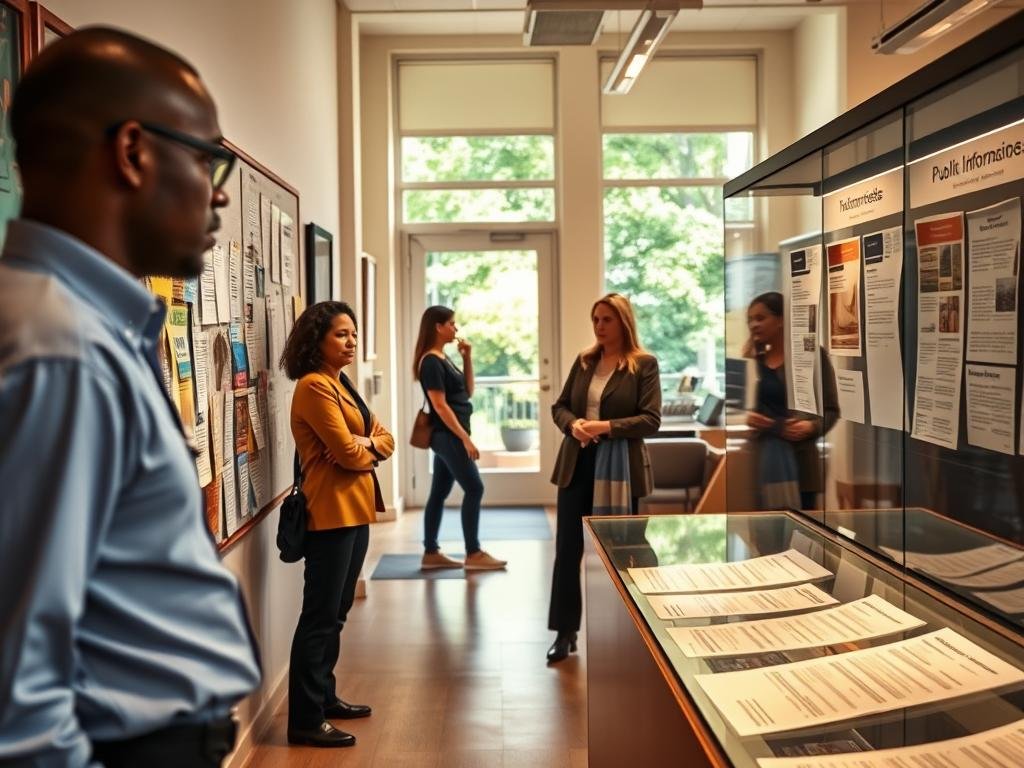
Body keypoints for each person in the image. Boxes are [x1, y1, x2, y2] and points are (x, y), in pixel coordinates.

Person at [0, 28, 261, 767]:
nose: (216, 196)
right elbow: (17, 678)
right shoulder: (61, 351)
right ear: (134, 151)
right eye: (210, 159)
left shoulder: (78, 327)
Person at [280, 300, 394, 748]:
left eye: (353, 334)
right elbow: (346, 455)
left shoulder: (339, 382)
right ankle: (305, 720)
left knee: (338, 611)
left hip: (356, 509)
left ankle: (324, 697)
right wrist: (359, 447)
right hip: (329, 514)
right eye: (341, 335)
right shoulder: (313, 387)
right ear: (317, 340)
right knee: (319, 617)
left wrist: (362, 442)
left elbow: (380, 437)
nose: (350, 342)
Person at [546, 293, 662, 663]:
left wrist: (605, 426)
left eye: (607, 319)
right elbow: (559, 406)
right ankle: (566, 632)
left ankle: (634, 627)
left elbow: (651, 419)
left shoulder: (643, 364)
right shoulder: (585, 361)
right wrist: (575, 424)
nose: (599, 326)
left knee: (624, 549)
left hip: (620, 467)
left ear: (623, 321)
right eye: (595, 319)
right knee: (567, 550)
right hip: (577, 462)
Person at [412, 305, 507, 570]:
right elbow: (440, 406)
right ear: (438, 327)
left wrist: (467, 357)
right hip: (448, 437)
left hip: (450, 436)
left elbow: (466, 392)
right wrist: (465, 438)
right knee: (475, 488)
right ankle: (473, 553)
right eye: (451, 324)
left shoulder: (443, 358)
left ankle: (431, 553)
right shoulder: (430, 361)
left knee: (439, 492)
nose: (456, 328)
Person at [745, 291, 839, 511]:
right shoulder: (753, 363)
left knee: (801, 535)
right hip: (763, 464)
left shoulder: (811, 357)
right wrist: (754, 420)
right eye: (750, 320)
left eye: (760, 318)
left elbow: (832, 409)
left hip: (802, 463)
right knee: (765, 537)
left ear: (780, 321)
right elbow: (747, 413)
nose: (753, 325)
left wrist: (812, 426)